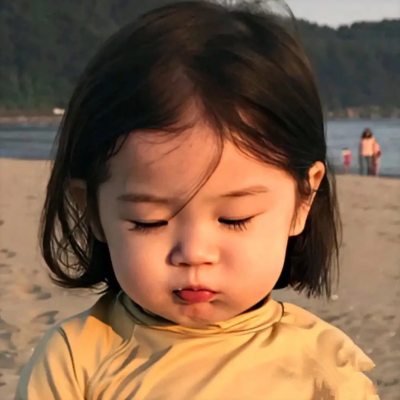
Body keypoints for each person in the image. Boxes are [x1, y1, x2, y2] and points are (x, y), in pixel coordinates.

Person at [15, 1, 379, 399]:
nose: (194, 254)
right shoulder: (75, 361)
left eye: (235, 218)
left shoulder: (326, 369)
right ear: (93, 211)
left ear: (302, 200)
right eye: (149, 220)